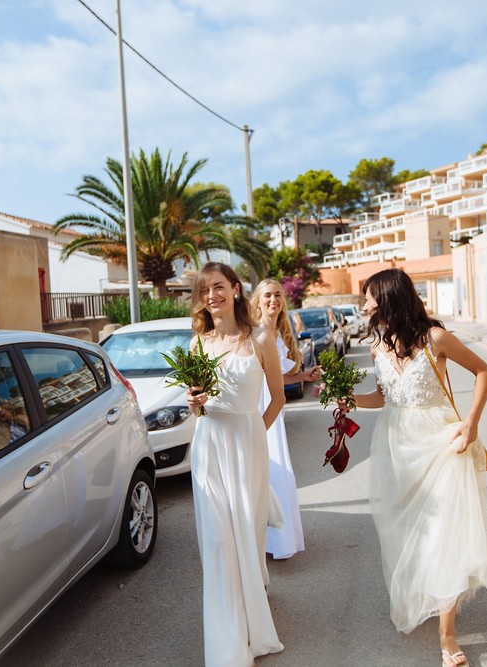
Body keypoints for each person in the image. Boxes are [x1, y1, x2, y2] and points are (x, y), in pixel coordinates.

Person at [342, 268, 487, 667]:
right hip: (397, 447)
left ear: (389, 297)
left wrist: (471, 423)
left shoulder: (436, 338)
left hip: (442, 444)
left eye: (369, 297)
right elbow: (382, 396)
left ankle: (447, 638)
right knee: (410, 534)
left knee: (446, 536)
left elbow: (483, 372)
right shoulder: (377, 346)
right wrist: (348, 400)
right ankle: (431, 598)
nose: (365, 305)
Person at [184, 263, 285, 667]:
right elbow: (198, 407)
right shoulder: (197, 344)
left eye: (219, 287)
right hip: (208, 447)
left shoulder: (261, 339)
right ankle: (227, 644)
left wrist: (254, 435)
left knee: (246, 538)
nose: (212, 295)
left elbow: (277, 398)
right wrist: (194, 406)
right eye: (205, 289)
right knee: (219, 544)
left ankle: (253, 628)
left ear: (237, 290)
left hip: (247, 448)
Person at [250, 279, 319, 560]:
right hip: (254, 403)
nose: (273, 300)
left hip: (273, 407)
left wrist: (303, 376)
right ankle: (257, 538)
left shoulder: (281, 332)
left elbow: (276, 378)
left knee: (276, 472)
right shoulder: (251, 333)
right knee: (258, 469)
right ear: (257, 300)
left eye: (278, 295)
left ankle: (276, 539)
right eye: (267, 295)